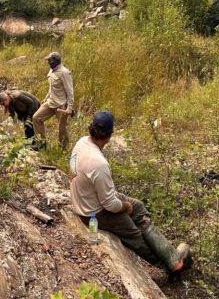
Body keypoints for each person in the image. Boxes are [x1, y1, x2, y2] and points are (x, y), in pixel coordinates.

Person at [69, 111, 192, 274]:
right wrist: (125, 207)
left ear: (91, 128)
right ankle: (167, 266)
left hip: (87, 198)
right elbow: (110, 205)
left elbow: (72, 170)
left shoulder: (82, 142)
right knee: (134, 234)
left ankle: (172, 257)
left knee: (138, 206)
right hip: (94, 211)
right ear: (110, 135)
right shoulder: (99, 164)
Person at [32, 51, 74, 149]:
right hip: (50, 102)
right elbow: (51, 87)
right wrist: (46, 98)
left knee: (62, 129)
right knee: (36, 118)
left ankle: (63, 149)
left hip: (61, 105)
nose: (48, 62)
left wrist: (70, 107)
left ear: (54, 61)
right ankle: (41, 145)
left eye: (49, 60)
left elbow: (70, 91)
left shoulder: (65, 73)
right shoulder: (51, 71)